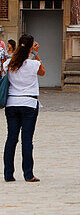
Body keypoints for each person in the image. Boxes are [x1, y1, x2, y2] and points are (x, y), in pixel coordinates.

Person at [4, 35, 44, 183]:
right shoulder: (33, 64)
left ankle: (8, 174)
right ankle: (28, 174)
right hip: (29, 102)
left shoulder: (9, 63)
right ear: (30, 47)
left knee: (11, 139)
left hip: (12, 102)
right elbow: (42, 72)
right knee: (27, 140)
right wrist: (36, 53)